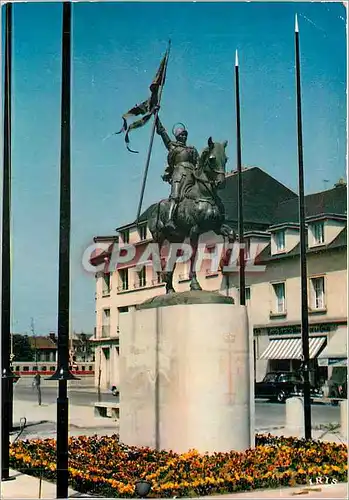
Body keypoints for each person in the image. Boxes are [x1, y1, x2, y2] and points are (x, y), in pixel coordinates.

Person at [155, 115, 200, 231]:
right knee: (175, 196)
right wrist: (156, 118)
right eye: (182, 135)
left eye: (185, 135)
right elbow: (163, 133)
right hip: (179, 174)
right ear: (177, 136)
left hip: (193, 175)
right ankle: (169, 219)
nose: (184, 137)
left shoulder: (192, 149)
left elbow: (199, 163)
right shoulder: (173, 147)